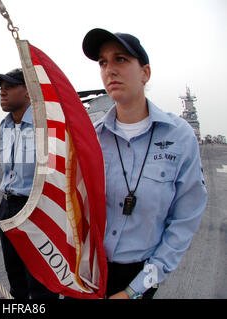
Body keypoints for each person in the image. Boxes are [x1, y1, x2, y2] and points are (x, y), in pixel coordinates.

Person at [82, 28, 207, 299]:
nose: (109, 70)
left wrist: (133, 290)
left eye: (121, 59)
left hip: (138, 277)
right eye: (103, 62)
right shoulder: (92, 138)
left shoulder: (179, 136)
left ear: (145, 73)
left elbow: (184, 219)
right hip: (88, 275)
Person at [0, 68, 59, 299]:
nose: (3, 93)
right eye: (1, 89)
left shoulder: (46, 126)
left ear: (28, 91)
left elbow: (56, 173)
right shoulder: (5, 125)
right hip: (7, 206)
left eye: (9, 87)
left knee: (41, 282)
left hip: (36, 207)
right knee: (16, 280)